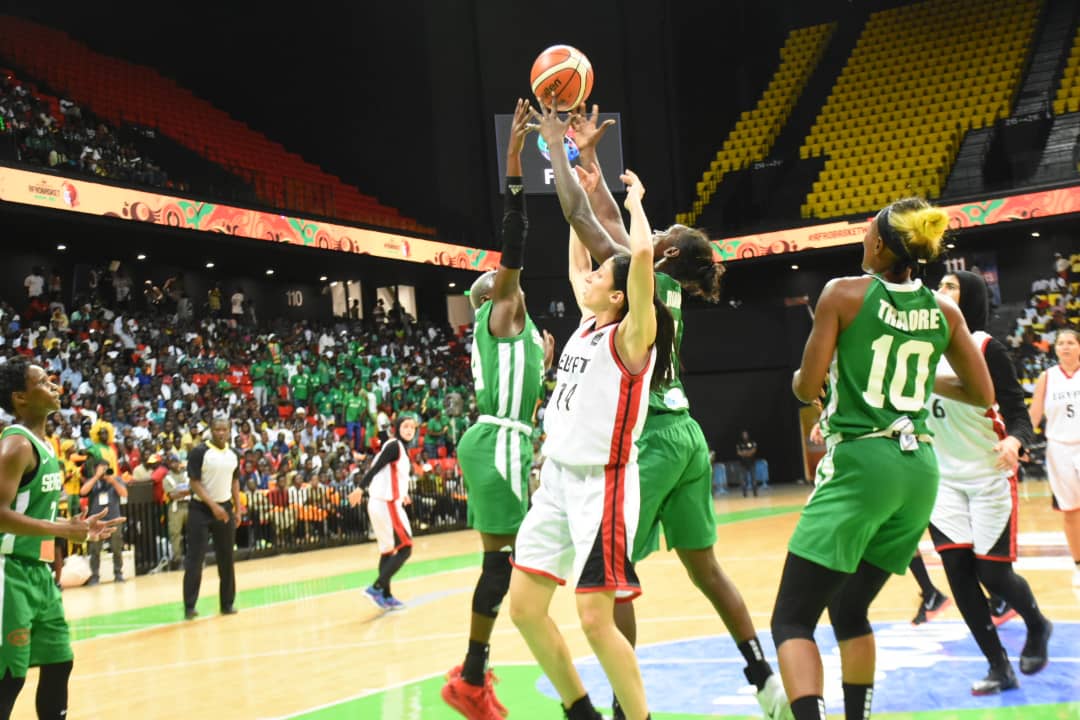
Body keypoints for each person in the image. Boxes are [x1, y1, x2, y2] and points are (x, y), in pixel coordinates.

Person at [561, 104, 785, 718]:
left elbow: (596, 218)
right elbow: (612, 219)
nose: (650, 239)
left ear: (661, 256)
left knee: (610, 576)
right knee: (706, 568)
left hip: (653, 437)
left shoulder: (646, 279)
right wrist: (594, 161)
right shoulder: (667, 285)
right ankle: (763, 677)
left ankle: (618, 703)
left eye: (657, 240)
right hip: (688, 432)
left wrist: (579, 159)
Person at [772, 197, 993, 720]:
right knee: (850, 609)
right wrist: (912, 383)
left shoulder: (841, 295)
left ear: (877, 242)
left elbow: (807, 387)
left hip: (865, 464)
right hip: (919, 471)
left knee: (792, 620)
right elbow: (981, 394)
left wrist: (810, 381)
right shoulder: (945, 310)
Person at [510, 102, 671, 720]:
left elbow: (639, 262)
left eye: (604, 270)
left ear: (618, 290)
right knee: (525, 610)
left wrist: (632, 210)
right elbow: (577, 221)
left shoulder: (632, 339)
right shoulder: (584, 325)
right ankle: (582, 712)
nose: (592, 272)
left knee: (593, 619)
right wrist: (569, 156)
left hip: (601, 488)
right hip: (555, 481)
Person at [441, 99, 555, 720]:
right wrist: (514, 159)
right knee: (519, 561)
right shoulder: (503, 308)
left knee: (499, 560)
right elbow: (516, 233)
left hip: (495, 439)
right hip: (502, 443)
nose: (500, 272)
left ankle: (473, 676)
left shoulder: (518, 330)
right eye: (495, 275)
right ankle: (475, 677)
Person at [925, 270, 1051, 694]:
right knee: (959, 576)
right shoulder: (918, 352)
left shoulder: (984, 346)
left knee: (993, 575)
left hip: (988, 473)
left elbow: (1016, 408)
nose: (940, 291)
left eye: (950, 286)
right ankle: (999, 666)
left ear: (971, 298)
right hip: (941, 482)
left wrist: (1016, 440)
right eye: (938, 285)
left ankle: (1037, 624)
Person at [0, 359, 123, 720]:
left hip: (39, 576)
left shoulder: (47, 445)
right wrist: (60, 530)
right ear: (20, 397)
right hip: (9, 573)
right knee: (9, 676)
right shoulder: (15, 446)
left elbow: (34, 513)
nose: (54, 385)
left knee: (59, 662)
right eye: (43, 381)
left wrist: (74, 527)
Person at [1027, 327, 1080, 587]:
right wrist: (1020, 442)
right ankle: (1079, 564)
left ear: (1079, 347)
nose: (1066, 347)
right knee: (1071, 511)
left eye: (1071, 342)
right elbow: (1035, 414)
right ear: (1055, 348)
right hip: (1059, 448)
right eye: (1061, 343)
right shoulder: (1047, 378)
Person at [351, 415, 418, 611]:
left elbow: (387, 473)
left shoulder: (396, 448)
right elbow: (375, 469)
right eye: (405, 426)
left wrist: (403, 494)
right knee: (406, 547)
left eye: (412, 428)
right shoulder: (395, 446)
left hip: (381, 502)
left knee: (388, 550)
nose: (409, 430)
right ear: (397, 428)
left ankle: (386, 596)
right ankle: (377, 587)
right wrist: (360, 488)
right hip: (387, 503)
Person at [182, 417, 241, 620]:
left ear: (229, 431)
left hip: (225, 509)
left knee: (227, 558)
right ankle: (189, 606)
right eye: (217, 429)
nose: (221, 433)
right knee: (195, 558)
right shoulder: (200, 452)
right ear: (211, 431)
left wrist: (238, 509)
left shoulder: (234, 454)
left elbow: (235, 481)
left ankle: (227, 603)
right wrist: (213, 506)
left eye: (224, 429)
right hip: (201, 509)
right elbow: (194, 483)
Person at [163, 454, 191, 571]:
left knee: (193, 533)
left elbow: (193, 489)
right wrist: (186, 492)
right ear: (169, 464)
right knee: (175, 535)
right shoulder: (167, 478)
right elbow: (172, 495)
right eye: (171, 462)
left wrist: (181, 492)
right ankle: (178, 560)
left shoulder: (186, 474)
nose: (174, 464)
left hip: (189, 506)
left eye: (176, 461)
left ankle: (195, 558)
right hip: (175, 508)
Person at [736, 430, 759, 497]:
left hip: (752, 463)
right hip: (743, 464)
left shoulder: (752, 442)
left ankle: (755, 493)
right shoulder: (739, 443)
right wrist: (746, 453)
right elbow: (738, 452)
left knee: (753, 479)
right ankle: (745, 494)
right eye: (743, 434)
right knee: (743, 480)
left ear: (748, 435)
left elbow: (753, 450)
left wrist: (745, 453)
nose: (745, 436)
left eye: (746, 434)